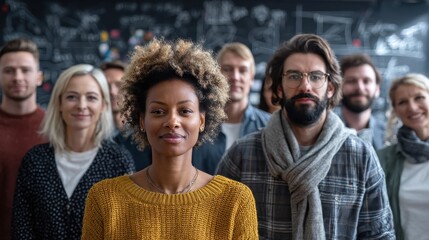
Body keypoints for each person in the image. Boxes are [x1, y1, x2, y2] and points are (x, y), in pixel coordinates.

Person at [217, 34, 395, 239]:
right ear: (278, 89)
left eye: (316, 76)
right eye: (294, 76)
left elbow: (380, 235)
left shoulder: (360, 156)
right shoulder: (242, 155)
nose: (305, 86)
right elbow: (218, 230)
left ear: (330, 88)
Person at [81, 39, 258, 239]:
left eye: (185, 111)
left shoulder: (235, 200)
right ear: (141, 120)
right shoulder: (105, 199)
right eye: (158, 111)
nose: (172, 121)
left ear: (201, 120)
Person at [12, 64, 135, 239]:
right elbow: (22, 230)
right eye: (72, 97)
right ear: (59, 103)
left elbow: (124, 231)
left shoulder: (119, 161)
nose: (81, 105)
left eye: (91, 97)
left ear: (103, 105)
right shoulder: (35, 161)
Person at [192, 42, 271, 174]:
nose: (235, 77)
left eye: (242, 70)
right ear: (217, 76)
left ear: (251, 78)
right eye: (227, 69)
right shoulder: (196, 125)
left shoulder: (269, 126)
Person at [0, 38, 46, 240]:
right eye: (9, 70)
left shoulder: (57, 128)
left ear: (39, 77)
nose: (17, 77)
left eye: (25, 70)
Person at [377, 73, 429, 240]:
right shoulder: (382, 160)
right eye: (402, 102)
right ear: (395, 111)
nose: (412, 108)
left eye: (419, 97)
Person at [100, 60, 148, 171]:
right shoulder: (92, 139)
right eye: (106, 86)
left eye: (119, 85)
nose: (112, 91)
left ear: (132, 90)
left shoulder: (148, 136)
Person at [334, 54, 386, 150]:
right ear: (338, 87)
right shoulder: (324, 132)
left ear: (377, 89)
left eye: (366, 81)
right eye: (351, 81)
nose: (359, 88)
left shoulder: (389, 136)